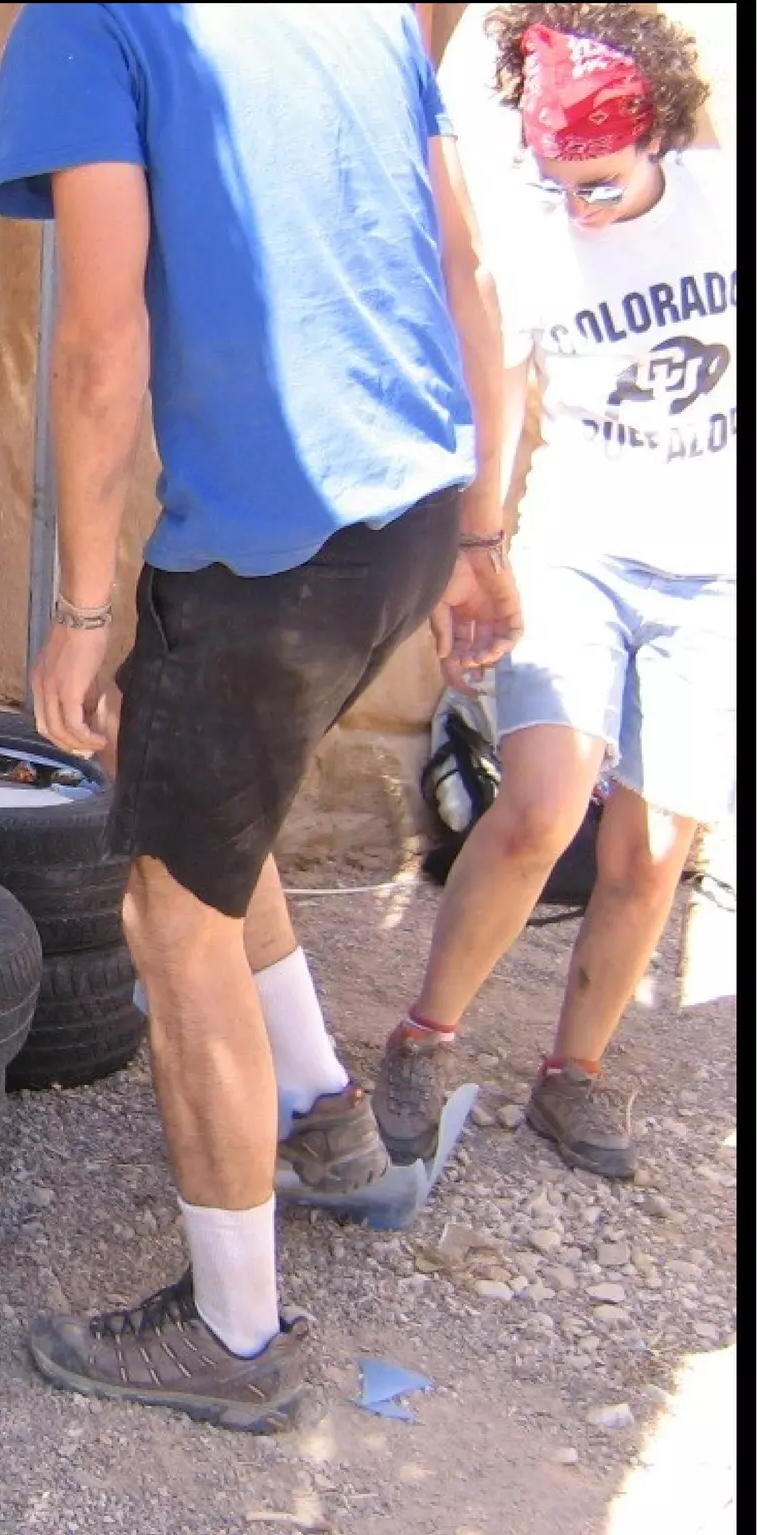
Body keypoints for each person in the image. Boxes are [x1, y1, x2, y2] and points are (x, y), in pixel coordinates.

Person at [0, 4, 521, 1429]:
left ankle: (233, 1337)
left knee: (173, 917)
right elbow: (463, 264)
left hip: (266, 556)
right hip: (406, 509)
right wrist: (481, 527)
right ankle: (330, 1123)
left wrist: (86, 605)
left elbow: (104, 340)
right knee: (214, 818)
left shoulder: (86, 27)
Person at [377, 4, 733, 1183]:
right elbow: (502, 403)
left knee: (651, 847)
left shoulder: (719, 201)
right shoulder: (526, 236)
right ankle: (421, 1037)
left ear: (664, 139)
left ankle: (569, 1074)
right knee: (537, 806)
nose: (577, 205)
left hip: (712, 569)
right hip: (577, 547)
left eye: (599, 184)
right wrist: (474, 548)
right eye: (558, 181)